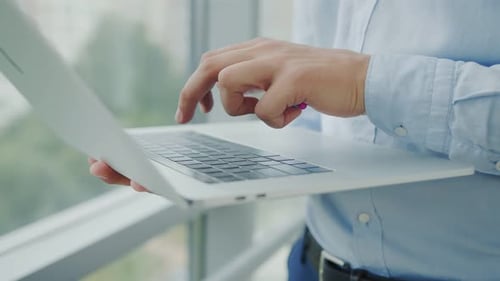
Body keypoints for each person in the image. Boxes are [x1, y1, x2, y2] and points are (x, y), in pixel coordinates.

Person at [90, 0, 500, 280]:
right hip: (312, 261)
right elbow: (327, 113)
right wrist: (230, 164)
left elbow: (352, 80)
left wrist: (366, 83)